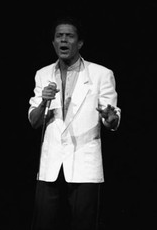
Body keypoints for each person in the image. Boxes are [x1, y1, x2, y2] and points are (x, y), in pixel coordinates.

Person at [28, 15, 121, 230]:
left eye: (69, 36)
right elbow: (34, 121)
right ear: (53, 42)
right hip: (50, 165)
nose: (63, 40)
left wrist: (110, 117)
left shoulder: (101, 74)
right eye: (59, 36)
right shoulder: (42, 74)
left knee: (84, 224)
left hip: (83, 163)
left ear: (79, 43)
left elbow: (113, 119)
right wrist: (44, 102)